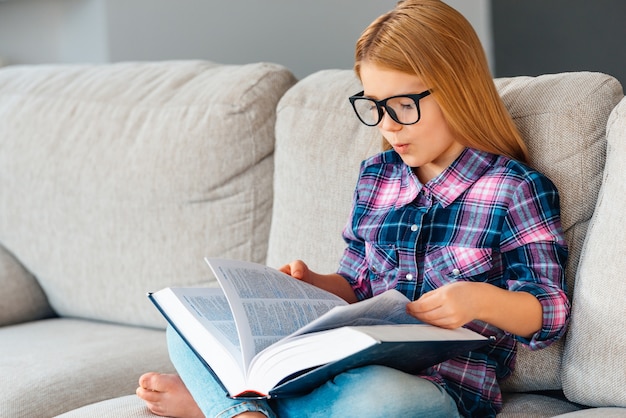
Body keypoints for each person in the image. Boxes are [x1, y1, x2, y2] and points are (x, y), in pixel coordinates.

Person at [136, 1, 570, 417]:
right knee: (189, 326)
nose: (388, 125)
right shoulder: (377, 176)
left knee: (379, 400)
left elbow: (549, 311)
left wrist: (480, 299)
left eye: (404, 105)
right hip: (347, 364)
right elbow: (357, 285)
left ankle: (230, 408)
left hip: (438, 388)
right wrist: (310, 285)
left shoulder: (515, 188)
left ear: (459, 88)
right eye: (376, 107)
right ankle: (242, 408)